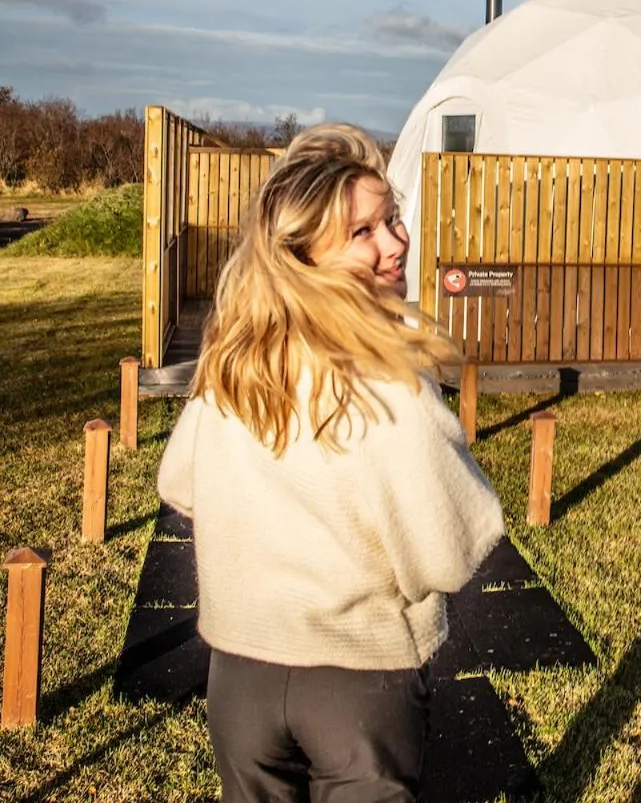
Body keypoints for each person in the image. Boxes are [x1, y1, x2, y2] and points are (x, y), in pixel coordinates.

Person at [158, 123, 505, 803]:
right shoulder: (387, 376)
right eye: (362, 233)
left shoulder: (236, 361)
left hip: (239, 680)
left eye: (392, 220)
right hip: (359, 683)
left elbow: (180, 481)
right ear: (302, 258)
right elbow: (450, 545)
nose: (395, 243)